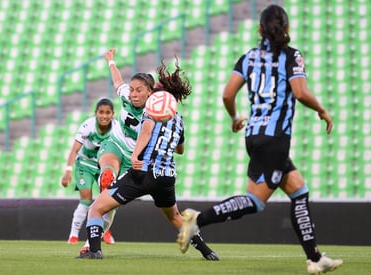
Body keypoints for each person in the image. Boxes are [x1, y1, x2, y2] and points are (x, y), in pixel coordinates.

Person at [177, 4, 343, 275]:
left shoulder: (249, 57)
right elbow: (300, 92)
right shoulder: (292, 56)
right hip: (276, 137)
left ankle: (315, 258)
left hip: (254, 134)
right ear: (287, 29)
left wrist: (234, 118)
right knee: (255, 201)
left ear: (259, 29)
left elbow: (228, 94)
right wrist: (322, 109)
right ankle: (198, 219)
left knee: (299, 191)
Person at [78, 58, 219, 261]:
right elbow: (180, 149)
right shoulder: (179, 120)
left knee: (97, 207)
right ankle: (207, 251)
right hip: (167, 176)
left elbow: (146, 130)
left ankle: (94, 250)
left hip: (143, 172)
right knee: (176, 217)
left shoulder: (151, 108)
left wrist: (136, 155)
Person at [61, 98, 117, 246]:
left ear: (113, 114)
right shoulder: (88, 125)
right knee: (86, 199)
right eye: (101, 112)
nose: (104, 116)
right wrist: (68, 171)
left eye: (108, 112)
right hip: (84, 164)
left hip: (102, 167)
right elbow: (74, 150)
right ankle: (73, 235)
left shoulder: (117, 128)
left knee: (105, 201)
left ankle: (104, 231)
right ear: (95, 113)